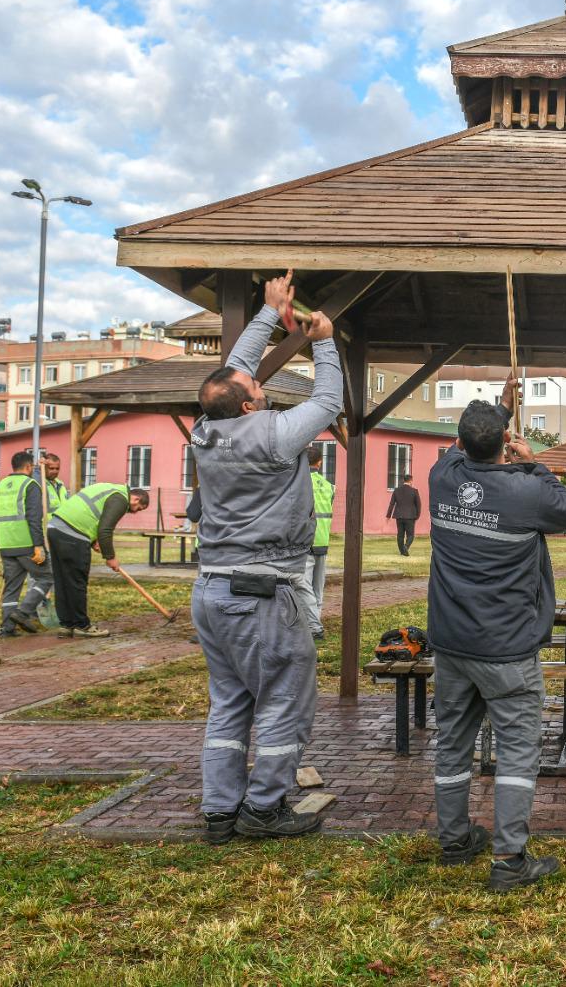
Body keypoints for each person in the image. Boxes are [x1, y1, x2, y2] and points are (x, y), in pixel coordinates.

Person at [189, 271, 342, 845]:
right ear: (251, 402)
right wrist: (322, 339)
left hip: (212, 590)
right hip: (263, 594)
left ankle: (220, 810)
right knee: (284, 700)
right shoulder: (274, 435)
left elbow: (230, 371)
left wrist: (268, 311)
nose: (260, 385)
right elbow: (328, 399)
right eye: (256, 386)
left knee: (229, 705)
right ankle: (265, 808)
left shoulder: (205, 431)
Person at [427, 375, 566, 890]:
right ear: (503, 445)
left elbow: (465, 442)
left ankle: (453, 839)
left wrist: (503, 409)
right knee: (517, 748)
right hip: (507, 649)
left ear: (463, 442)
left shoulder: (441, 477)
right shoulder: (526, 490)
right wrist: (531, 456)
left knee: (451, 743)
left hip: (451, 644)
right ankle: (509, 859)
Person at [47, 480, 148, 637]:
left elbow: (90, 514)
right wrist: (110, 557)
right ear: (135, 499)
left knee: (63, 580)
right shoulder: (120, 498)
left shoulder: (110, 489)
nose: (134, 512)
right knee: (77, 581)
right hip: (73, 534)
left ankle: (66, 625)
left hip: (55, 528)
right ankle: (82, 625)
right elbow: (105, 529)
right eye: (138, 509)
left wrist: (93, 540)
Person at [0, 450, 53, 635]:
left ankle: (7, 629)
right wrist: (39, 545)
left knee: (12, 587)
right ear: (28, 467)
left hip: (5, 543)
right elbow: (34, 518)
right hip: (26, 543)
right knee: (48, 576)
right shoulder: (30, 485)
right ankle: (24, 612)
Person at [287, 444, 334, 640]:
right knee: (317, 587)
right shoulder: (330, 486)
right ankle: (317, 619)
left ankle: (311, 626)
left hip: (304, 542)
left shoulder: (298, 484)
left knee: (303, 586)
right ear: (320, 462)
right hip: (323, 540)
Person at [387, 472, 421, 556]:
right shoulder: (414, 491)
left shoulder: (396, 490)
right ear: (411, 481)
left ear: (403, 480)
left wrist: (388, 515)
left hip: (399, 516)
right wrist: (417, 516)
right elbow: (418, 504)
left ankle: (402, 551)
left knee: (400, 535)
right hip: (410, 516)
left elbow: (392, 504)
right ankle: (405, 547)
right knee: (410, 535)